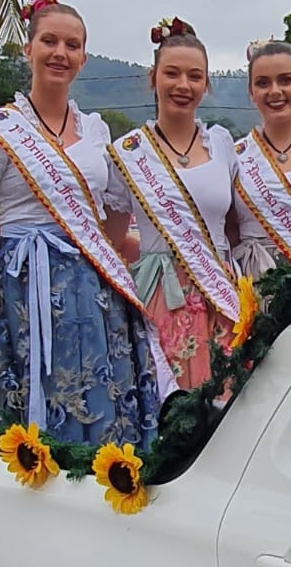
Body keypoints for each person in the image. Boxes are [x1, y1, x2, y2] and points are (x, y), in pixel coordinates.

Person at [0, 0, 170, 445]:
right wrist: (6, 288)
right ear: (28, 49)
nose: (60, 53)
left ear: (84, 57)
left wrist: (95, 265)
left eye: (72, 45)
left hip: (94, 298)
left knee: (103, 407)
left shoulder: (96, 131)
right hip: (28, 298)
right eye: (49, 41)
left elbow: (111, 218)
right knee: (37, 414)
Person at [103, 19, 242, 391]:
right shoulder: (128, 153)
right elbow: (112, 242)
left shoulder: (222, 144)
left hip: (221, 293)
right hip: (160, 297)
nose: (183, 85)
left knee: (228, 403)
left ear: (207, 83)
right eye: (172, 74)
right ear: (153, 77)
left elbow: (233, 226)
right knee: (170, 406)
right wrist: (155, 256)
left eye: (195, 76)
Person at [230, 39, 291, 273]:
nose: (275, 91)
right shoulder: (234, 157)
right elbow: (228, 229)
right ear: (251, 92)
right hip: (256, 286)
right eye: (263, 83)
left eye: (285, 80)